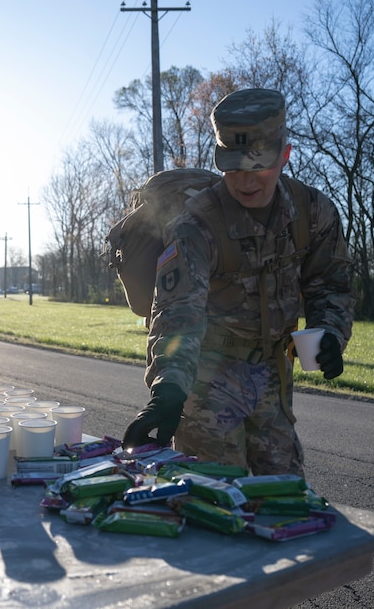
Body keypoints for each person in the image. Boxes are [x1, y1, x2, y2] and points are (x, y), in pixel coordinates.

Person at [122, 88, 353, 476]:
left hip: (272, 380)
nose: (246, 181)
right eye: (233, 167)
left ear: (285, 155)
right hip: (206, 382)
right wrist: (168, 389)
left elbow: (330, 283)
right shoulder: (196, 225)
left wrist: (329, 331)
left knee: (283, 498)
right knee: (213, 503)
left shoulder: (313, 213)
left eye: (258, 166)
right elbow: (177, 315)